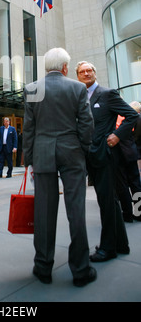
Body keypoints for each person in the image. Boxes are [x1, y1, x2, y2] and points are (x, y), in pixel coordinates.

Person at [23, 48, 96, 287]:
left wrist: (29, 158)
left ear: (47, 67)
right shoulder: (77, 88)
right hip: (72, 151)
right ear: (65, 67)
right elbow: (86, 124)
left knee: (43, 211)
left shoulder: (33, 88)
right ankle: (81, 270)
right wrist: (83, 149)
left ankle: (43, 266)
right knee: (76, 212)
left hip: (43, 152)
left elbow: (29, 128)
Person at [76, 61, 139, 262]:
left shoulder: (107, 93)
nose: (86, 73)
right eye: (82, 71)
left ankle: (108, 248)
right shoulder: (78, 97)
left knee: (107, 202)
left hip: (105, 155)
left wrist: (116, 135)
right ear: (77, 76)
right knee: (109, 201)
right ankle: (121, 244)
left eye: (89, 70)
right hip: (90, 156)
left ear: (95, 73)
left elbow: (131, 115)